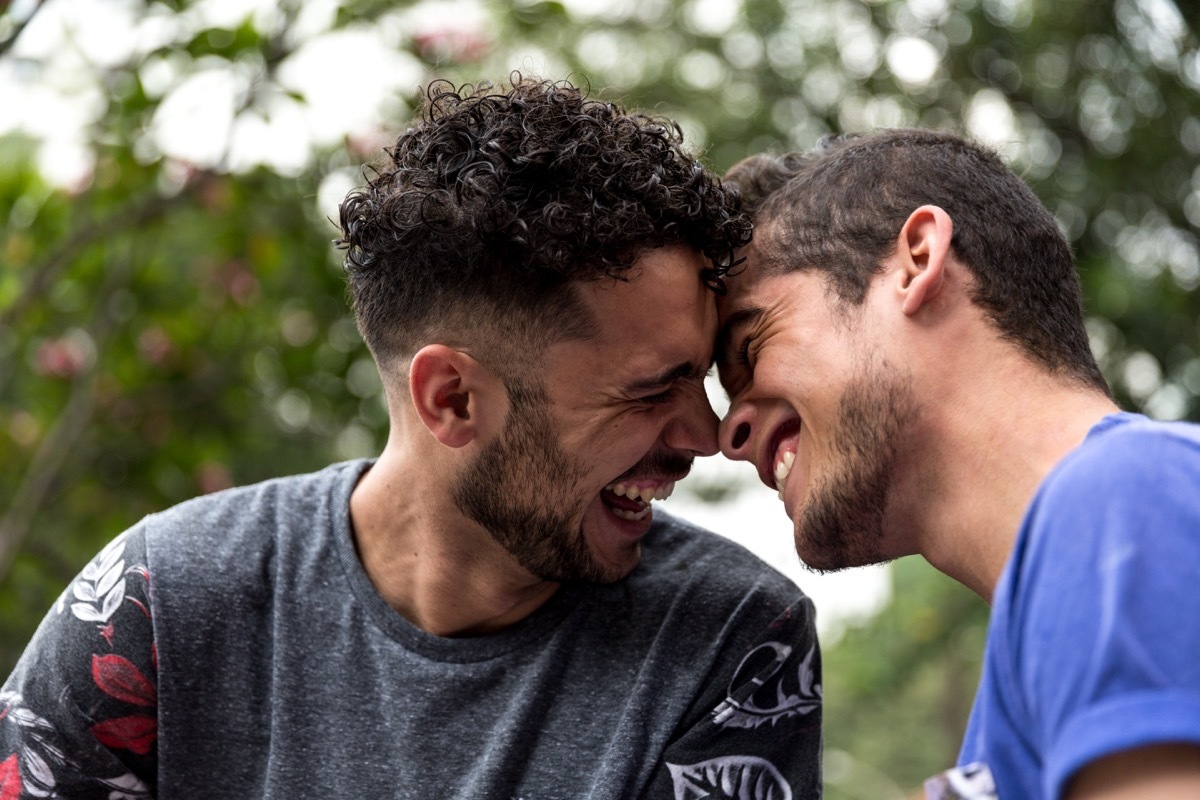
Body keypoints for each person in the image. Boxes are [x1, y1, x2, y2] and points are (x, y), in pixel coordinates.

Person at [0, 77, 823, 799]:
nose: (707, 434)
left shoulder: (733, 640)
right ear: (454, 400)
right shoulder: (154, 607)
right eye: (651, 389)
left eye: (699, 377)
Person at [715, 128, 1200, 800]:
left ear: (916, 260)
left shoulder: (1125, 496)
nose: (727, 432)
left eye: (749, 342)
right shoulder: (1016, 691)